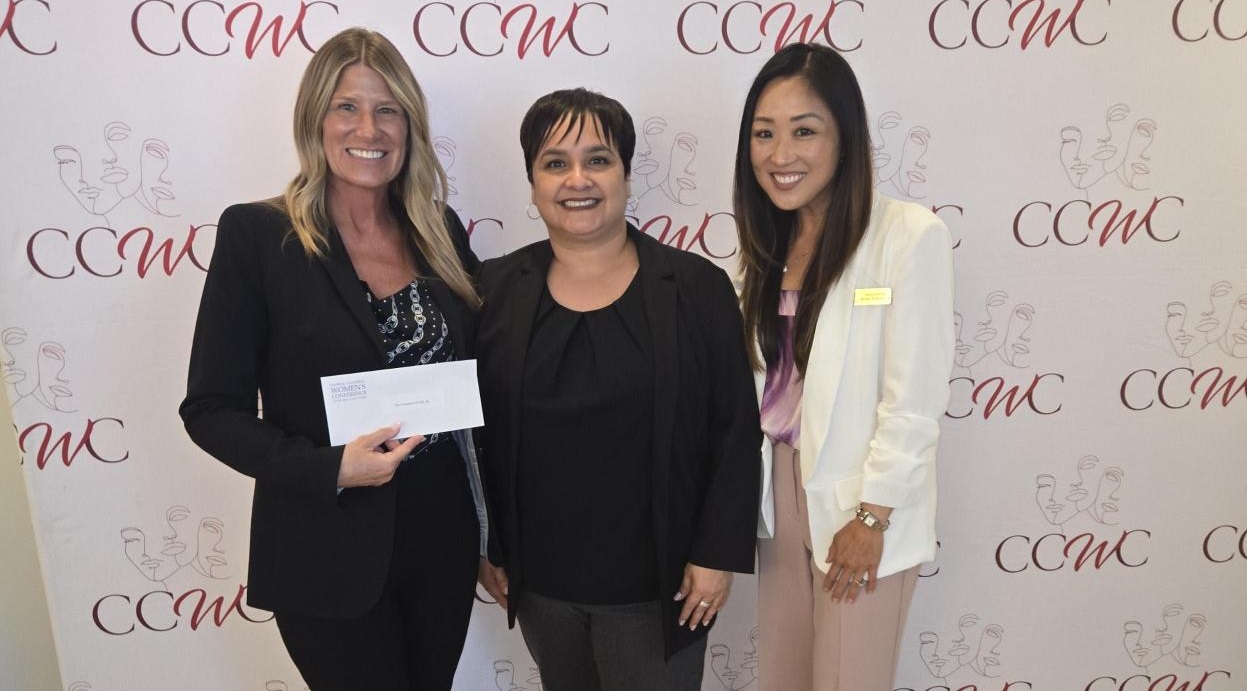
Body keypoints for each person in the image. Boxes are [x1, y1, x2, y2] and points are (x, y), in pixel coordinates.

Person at [179, 27, 486, 691]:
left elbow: (486, 371)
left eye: (388, 109)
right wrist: (330, 468)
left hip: (442, 539)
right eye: (346, 106)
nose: (367, 127)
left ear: (409, 125)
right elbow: (210, 409)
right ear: (314, 118)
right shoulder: (258, 236)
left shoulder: (441, 231)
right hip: (324, 545)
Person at [474, 88, 761, 691]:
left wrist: (716, 555)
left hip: (660, 591)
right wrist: (487, 542)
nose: (578, 179)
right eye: (556, 163)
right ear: (532, 183)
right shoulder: (494, 289)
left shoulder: (695, 287)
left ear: (627, 174)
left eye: (597, 160)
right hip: (542, 588)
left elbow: (735, 428)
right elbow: (476, 437)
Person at [734, 43, 955, 690]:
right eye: (763, 134)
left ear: (846, 137)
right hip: (778, 491)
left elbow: (912, 397)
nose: (781, 155)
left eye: (804, 131)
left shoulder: (907, 235)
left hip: (861, 502)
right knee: (784, 678)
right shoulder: (760, 246)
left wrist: (871, 516)